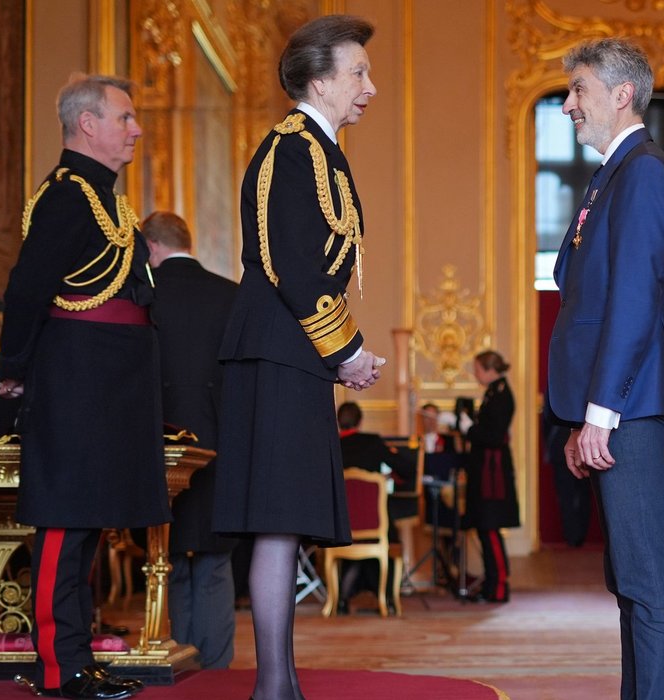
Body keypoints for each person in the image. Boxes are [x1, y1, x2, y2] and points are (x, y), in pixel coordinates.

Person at [211, 15, 383, 700]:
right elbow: (294, 267)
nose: (369, 86)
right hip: (281, 352)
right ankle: (274, 687)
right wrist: (347, 351)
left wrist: (340, 352)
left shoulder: (319, 149)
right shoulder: (293, 148)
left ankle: (279, 684)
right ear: (318, 79)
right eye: (358, 72)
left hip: (291, 352)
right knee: (276, 523)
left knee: (282, 526)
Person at [0, 74, 166, 700]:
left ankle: (78, 657)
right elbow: (27, 291)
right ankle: (56, 667)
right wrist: (13, 371)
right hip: (75, 381)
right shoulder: (65, 195)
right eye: (125, 117)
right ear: (87, 124)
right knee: (65, 525)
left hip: (108, 382)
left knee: (89, 527)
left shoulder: (107, 201)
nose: (136, 129)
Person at [545, 38, 664, 700]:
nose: (569, 103)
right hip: (612, 407)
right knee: (628, 581)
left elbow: (633, 298)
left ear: (620, 93)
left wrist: (600, 414)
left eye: (578, 90)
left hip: (626, 406)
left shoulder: (644, 173)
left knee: (646, 582)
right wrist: (582, 418)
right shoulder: (611, 174)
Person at [141, 211, 238, 668]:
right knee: (216, 563)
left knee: (170, 560)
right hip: (220, 443)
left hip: (158, 445)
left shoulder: (144, 294)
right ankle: (217, 667)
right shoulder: (230, 295)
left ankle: (178, 660)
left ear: (151, 247)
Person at [334, 401, 416, 614]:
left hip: (340, 525)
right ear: (360, 422)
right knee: (387, 537)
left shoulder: (330, 445)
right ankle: (387, 598)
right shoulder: (372, 442)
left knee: (354, 539)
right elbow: (407, 468)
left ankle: (343, 598)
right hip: (375, 522)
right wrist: (385, 478)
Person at [459, 350, 520, 603]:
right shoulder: (495, 391)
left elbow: (493, 436)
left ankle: (498, 586)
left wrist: (469, 428)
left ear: (489, 369)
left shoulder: (501, 393)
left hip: (491, 473)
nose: (475, 373)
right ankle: (491, 585)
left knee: (490, 528)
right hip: (486, 469)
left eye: (477, 369)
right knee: (486, 529)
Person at [544, 415, 591, 547]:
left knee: (571, 496)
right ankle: (577, 535)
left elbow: (547, 425)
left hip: (567, 450)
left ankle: (573, 535)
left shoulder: (557, 400)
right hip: (572, 450)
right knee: (578, 495)